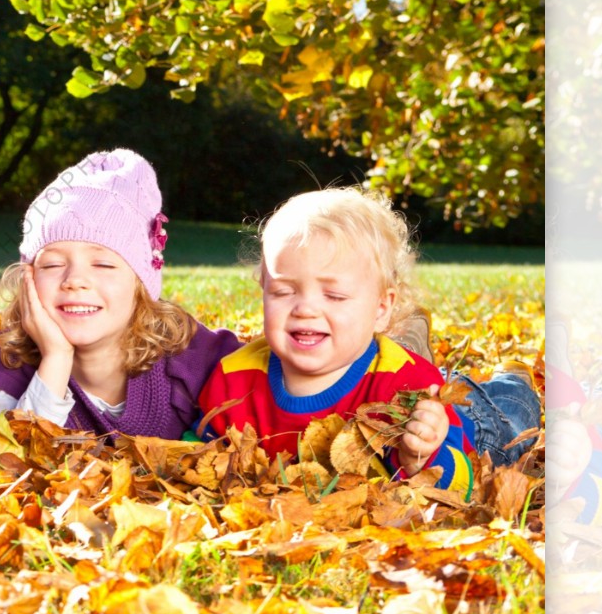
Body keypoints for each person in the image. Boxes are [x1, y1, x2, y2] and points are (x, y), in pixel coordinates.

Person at [195, 187, 482, 496]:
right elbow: (194, 453)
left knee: (496, 418)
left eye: (334, 295)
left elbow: (466, 488)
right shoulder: (233, 380)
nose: (305, 309)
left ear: (380, 309)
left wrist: (420, 457)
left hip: (479, 425)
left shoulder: (409, 388)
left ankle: (510, 387)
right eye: (283, 291)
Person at [0, 149, 242, 439]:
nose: (75, 280)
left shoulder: (192, 356)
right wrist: (55, 358)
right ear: (27, 279)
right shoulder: (14, 356)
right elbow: (0, 460)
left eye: (103, 264)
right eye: (53, 264)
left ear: (140, 283)